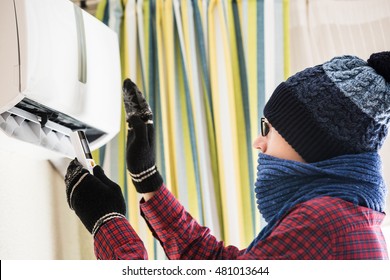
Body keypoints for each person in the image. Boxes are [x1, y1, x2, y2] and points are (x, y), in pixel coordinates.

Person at [64, 51, 390, 260]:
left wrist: (106, 221)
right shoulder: (346, 220)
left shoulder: (324, 225)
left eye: (268, 128)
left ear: (312, 143)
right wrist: (148, 181)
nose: (258, 143)